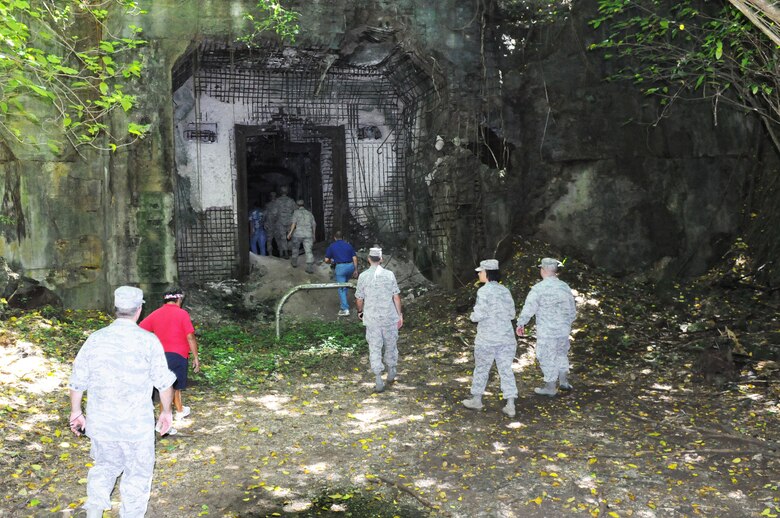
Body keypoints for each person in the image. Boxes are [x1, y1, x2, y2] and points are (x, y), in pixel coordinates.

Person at [68, 286, 177, 518]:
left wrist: (76, 412)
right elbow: (164, 383)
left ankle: (94, 511)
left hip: (102, 423)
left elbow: (77, 380)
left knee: (104, 466)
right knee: (138, 474)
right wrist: (166, 412)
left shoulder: (95, 339)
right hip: (136, 426)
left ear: (115, 308)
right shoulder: (148, 341)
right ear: (139, 310)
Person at [462, 259, 519, 417]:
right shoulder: (505, 290)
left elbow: (478, 315)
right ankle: (511, 404)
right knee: (506, 370)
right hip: (506, 338)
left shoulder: (483, 291)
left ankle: (477, 400)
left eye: (480, 272)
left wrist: (472, 315)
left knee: (481, 369)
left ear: (487, 273)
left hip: (487, 339)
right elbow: (512, 314)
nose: (478, 274)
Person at [140, 287, 201, 428]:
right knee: (168, 388)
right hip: (178, 355)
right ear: (179, 299)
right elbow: (190, 336)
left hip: (159, 356)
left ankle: (179, 411)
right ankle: (163, 424)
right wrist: (196, 357)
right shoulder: (182, 313)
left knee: (172, 386)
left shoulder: (156, 313)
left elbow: (141, 329)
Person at [516, 257, 577, 396]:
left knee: (546, 356)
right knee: (561, 354)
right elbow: (572, 310)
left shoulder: (538, 289)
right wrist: (567, 324)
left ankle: (550, 387)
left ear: (543, 270)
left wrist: (521, 323)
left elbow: (529, 308)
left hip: (547, 332)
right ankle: (564, 382)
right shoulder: (564, 287)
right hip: (563, 330)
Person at [355, 247, 403, 393]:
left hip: (372, 319)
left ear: (368, 259)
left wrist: (360, 312)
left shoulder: (363, 276)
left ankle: (378, 379)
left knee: (374, 347)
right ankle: (392, 370)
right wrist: (399, 315)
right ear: (381, 259)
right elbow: (396, 297)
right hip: (389, 317)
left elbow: (359, 298)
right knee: (391, 344)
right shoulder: (389, 275)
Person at [324, 230, 358, 316]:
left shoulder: (332, 246)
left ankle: (345, 309)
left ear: (335, 238)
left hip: (340, 268)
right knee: (344, 285)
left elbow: (326, 260)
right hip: (350, 266)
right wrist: (355, 270)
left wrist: (331, 262)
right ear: (343, 238)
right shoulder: (348, 245)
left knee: (341, 288)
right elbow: (354, 258)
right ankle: (344, 301)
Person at [287, 199, 317, 273]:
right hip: (308, 234)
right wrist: (314, 235)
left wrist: (290, 233)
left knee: (295, 248)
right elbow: (314, 224)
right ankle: (309, 267)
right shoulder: (309, 213)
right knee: (308, 250)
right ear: (303, 205)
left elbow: (294, 223)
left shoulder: (296, 212)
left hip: (298, 234)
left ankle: (294, 262)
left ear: (297, 205)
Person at [275, 185, 297, 258]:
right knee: (291, 236)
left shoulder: (277, 201)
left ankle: (285, 252)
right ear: (287, 192)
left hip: (281, 222)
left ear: (280, 192)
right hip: (290, 221)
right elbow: (296, 210)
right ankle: (291, 250)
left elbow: (274, 212)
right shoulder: (291, 201)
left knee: (283, 238)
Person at [264, 191, 278, 256]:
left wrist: (264, 223)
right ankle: (282, 254)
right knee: (279, 240)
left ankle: (270, 255)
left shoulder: (267, 205)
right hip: (277, 227)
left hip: (270, 226)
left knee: (269, 241)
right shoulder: (278, 205)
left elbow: (264, 215)